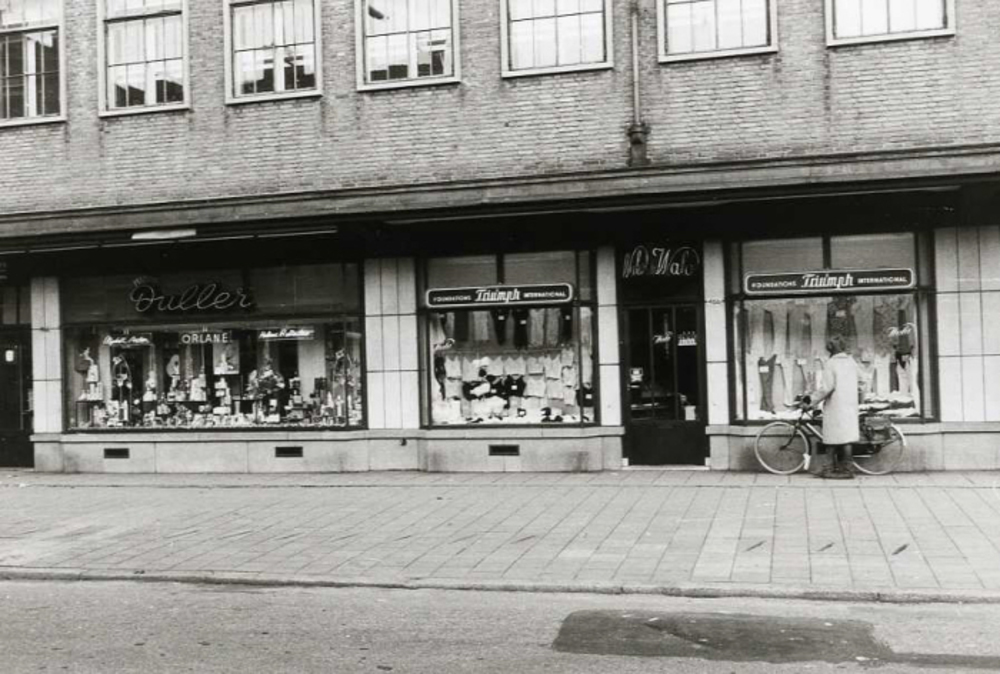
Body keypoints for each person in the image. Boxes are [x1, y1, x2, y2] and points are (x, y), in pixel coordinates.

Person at [810, 335, 859, 479]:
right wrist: (856, 396)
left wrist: (812, 400)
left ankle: (838, 469)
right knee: (846, 437)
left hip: (836, 405)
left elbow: (826, 388)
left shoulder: (831, 363)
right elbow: (863, 380)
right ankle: (838, 467)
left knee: (832, 437)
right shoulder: (851, 362)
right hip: (850, 405)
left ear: (830, 349)